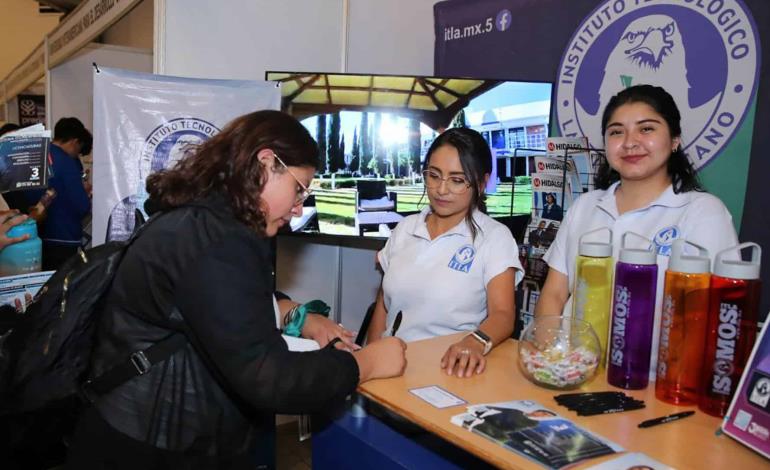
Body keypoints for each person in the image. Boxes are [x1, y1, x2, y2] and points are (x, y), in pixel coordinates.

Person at [65, 110, 407, 469]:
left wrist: (293, 312)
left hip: (135, 427)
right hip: (154, 444)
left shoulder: (198, 219)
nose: (298, 207)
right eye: (299, 188)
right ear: (265, 162)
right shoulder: (218, 240)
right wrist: (362, 364)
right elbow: (269, 378)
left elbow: (213, 301)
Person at [535, 84, 739, 376]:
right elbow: (554, 294)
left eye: (646, 129)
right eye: (616, 132)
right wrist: (550, 362)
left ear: (675, 140)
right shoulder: (586, 206)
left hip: (656, 385)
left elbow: (712, 320)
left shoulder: (703, 212)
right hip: (573, 371)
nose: (630, 142)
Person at [366, 127, 523, 379]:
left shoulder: (494, 237)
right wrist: (369, 359)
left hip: (449, 370)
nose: (441, 189)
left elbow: (503, 315)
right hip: (392, 368)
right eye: (434, 175)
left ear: (482, 183)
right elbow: (384, 304)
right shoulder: (405, 229)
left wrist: (475, 342)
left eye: (457, 180)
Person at [26, 117, 92, 271]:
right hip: (63, 236)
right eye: (78, 149)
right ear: (74, 142)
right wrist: (86, 195)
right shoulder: (67, 162)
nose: (77, 154)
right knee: (59, 286)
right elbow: (81, 205)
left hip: (35, 234)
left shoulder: (36, 154)